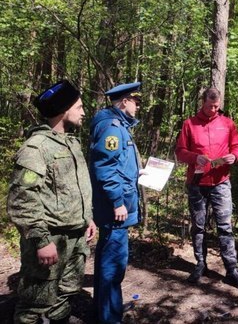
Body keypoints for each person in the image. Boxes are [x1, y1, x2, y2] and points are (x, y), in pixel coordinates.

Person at [7, 80, 96, 324]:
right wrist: (41, 240)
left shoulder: (71, 143)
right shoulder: (36, 148)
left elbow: (74, 188)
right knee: (34, 304)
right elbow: (22, 198)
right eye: (79, 107)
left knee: (64, 297)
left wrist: (88, 218)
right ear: (63, 110)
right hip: (51, 239)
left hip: (76, 238)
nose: (84, 112)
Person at [175, 88, 238, 290]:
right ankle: (200, 264)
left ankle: (232, 270)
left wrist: (234, 156)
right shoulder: (189, 124)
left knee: (225, 226)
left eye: (216, 106)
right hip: (197, 183)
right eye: (210, 106)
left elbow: (237, 146)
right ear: (203, 102)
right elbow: (180, 151)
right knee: (198, 226)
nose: (213, 109)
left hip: (221, 181)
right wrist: (194, 157)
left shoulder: (227, 123)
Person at [89, 82, 142, 323]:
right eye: (135, 101)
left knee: (106, 260)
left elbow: (116, 165)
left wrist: (135, 173)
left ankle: (102, 311)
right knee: (113, 265)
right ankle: (110, 318)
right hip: (115, 209)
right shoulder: (112, 127)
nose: (138, 105)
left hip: (116, 204)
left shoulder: (118, 125)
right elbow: (105, 168)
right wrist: (117, 202)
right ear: (124, 102)